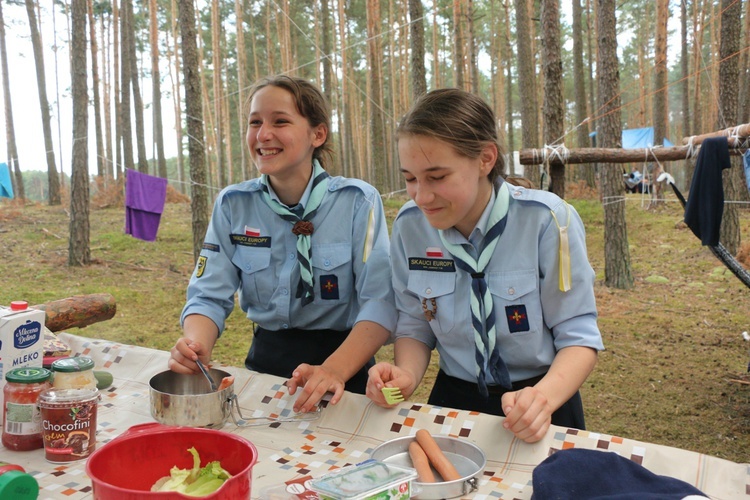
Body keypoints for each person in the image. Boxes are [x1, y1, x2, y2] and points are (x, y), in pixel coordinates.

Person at [366, 88, 604, 443]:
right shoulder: (410, 226)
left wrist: (542, 399)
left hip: (543, 399)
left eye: (437, 176)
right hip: (455, 398)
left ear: (485, 159)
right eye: (410, 178)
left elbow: (579, 333)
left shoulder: (547, 222)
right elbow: (415, 323)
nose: (422, 196)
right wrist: (406, 375)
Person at [170, 75, 396, 413]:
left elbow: (379, 302)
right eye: (255, 122)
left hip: (344, 366)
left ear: (317, 134)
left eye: (280, 121)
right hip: (266, 363)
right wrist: (196, 344)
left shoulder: (357, 202)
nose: (263, 135)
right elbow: (208, 294)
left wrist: (335, 369)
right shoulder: (234, 204)